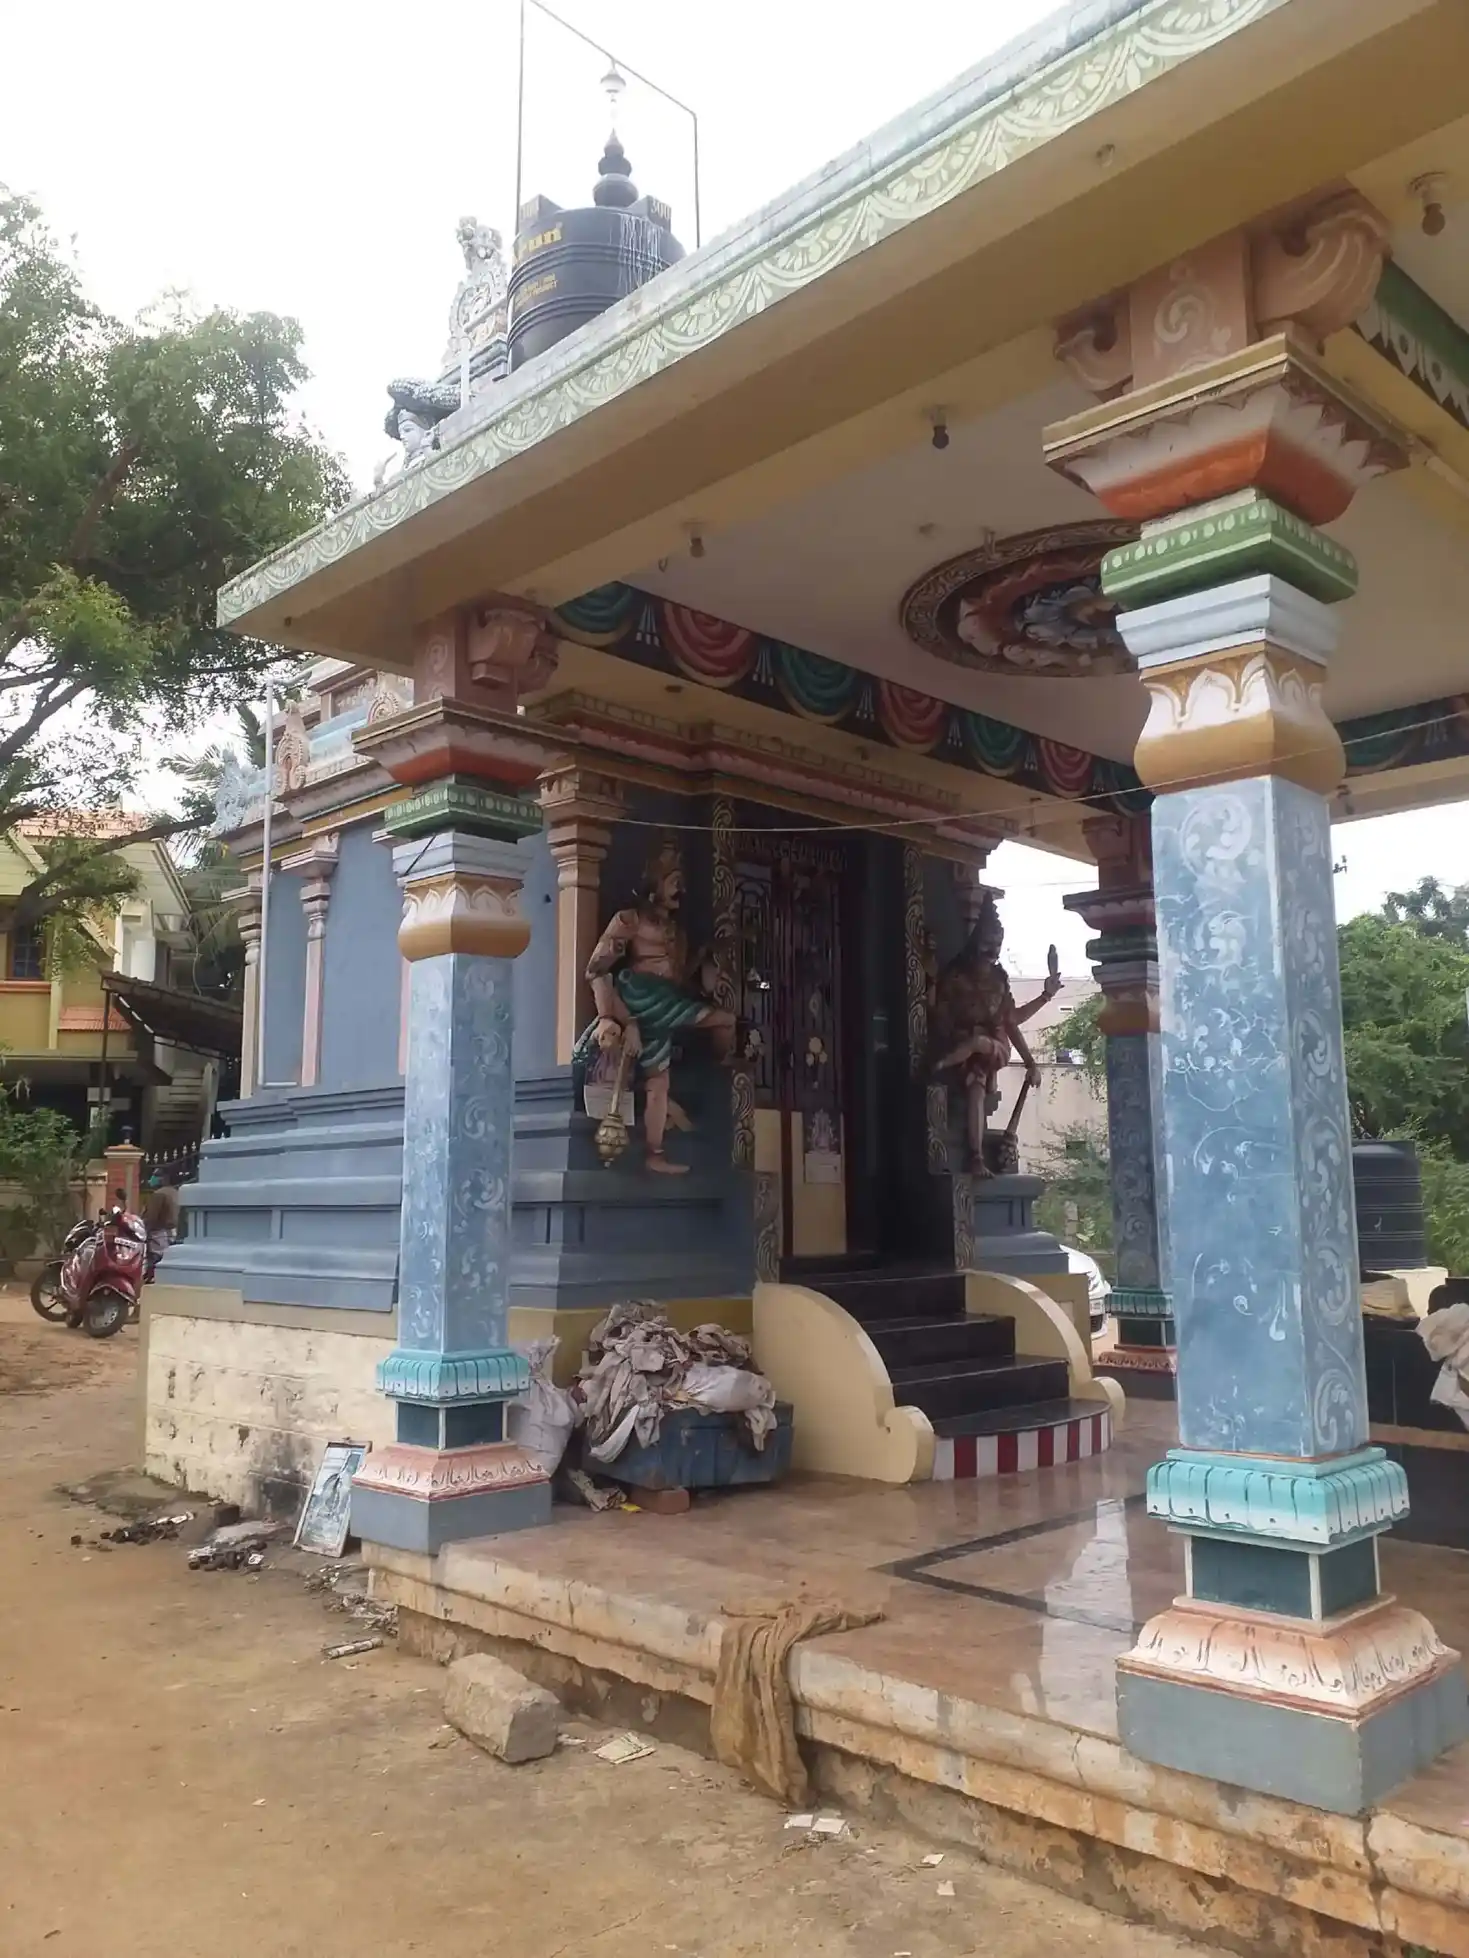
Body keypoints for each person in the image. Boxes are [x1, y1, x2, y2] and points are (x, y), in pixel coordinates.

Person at [577, 840, 735, 1174]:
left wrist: (704, 964)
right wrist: (615, 1017)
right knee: (718, 1026)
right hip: (638, 1000)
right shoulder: (629, 920)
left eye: (681, 881)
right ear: (654, 882)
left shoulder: (676, 932)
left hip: (667, 1003)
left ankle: (655, 1153)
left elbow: (678, 978)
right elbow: (596, 970)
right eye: (673, 880)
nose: (680, 888)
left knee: (661, 1080)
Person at [142, 1169, 181, 1279]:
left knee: (155, 1257)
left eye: (156, 1176)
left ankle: (151, 1276)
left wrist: (145, 1230)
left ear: (165, 1178)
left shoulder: (159, 1194)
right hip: (173, 1231)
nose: (153, 1179)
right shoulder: (176, 1193)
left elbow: (152, 1216)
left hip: (159, 1232)